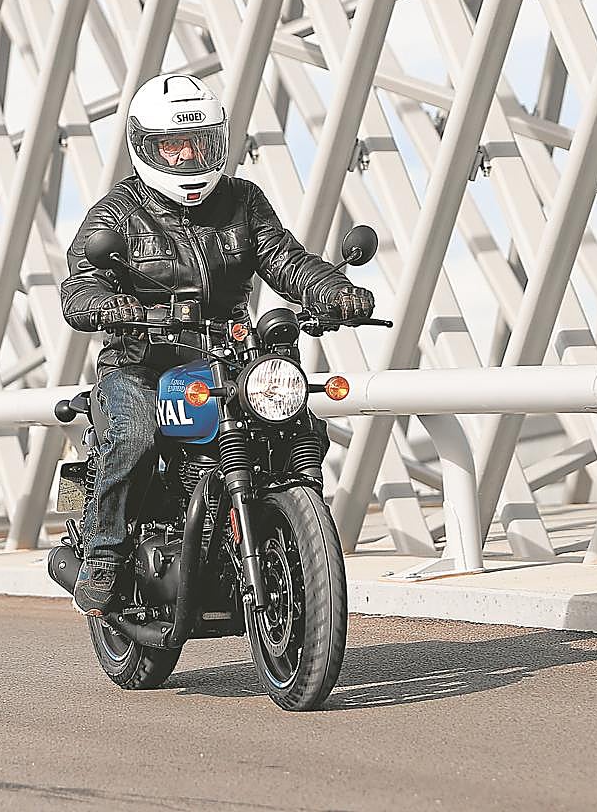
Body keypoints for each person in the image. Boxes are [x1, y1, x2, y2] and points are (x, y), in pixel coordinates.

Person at [59, 73, 374, 616]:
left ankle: (299, 539)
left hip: (230, 358)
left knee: (297, 421)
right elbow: (80, 285)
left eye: (198, 142)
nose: (187, 155)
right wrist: (116, 308)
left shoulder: (242, 201)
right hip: (143, 364)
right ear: (145, 146)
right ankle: (105, 555)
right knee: (134, 433)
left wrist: (335, 291)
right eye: (173, 145)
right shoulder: (118, 213)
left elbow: (287, 261)